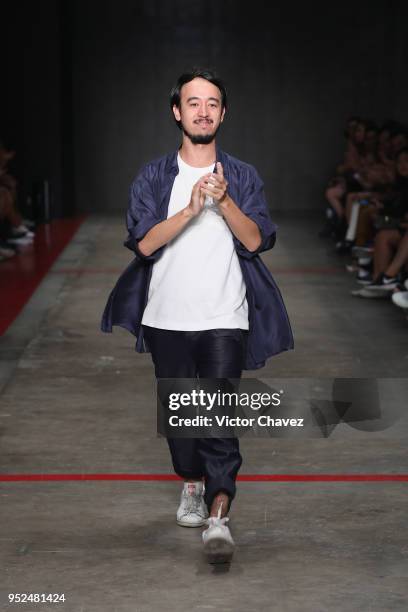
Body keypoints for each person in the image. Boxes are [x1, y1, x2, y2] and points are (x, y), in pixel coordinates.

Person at [101, 68, 293, 563]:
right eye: (193, 102)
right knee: (183, 428)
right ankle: (191, 481)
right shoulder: (153, 176)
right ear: (177, 112)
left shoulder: (243, 175)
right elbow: (143, 244)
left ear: (223, 113)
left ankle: (219, 513)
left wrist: (224, 200)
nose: (203, 111)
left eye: (212, 103)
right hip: (167, 318)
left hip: (225, 318)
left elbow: (255, 241)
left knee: (219, 419)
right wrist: (189, 210)